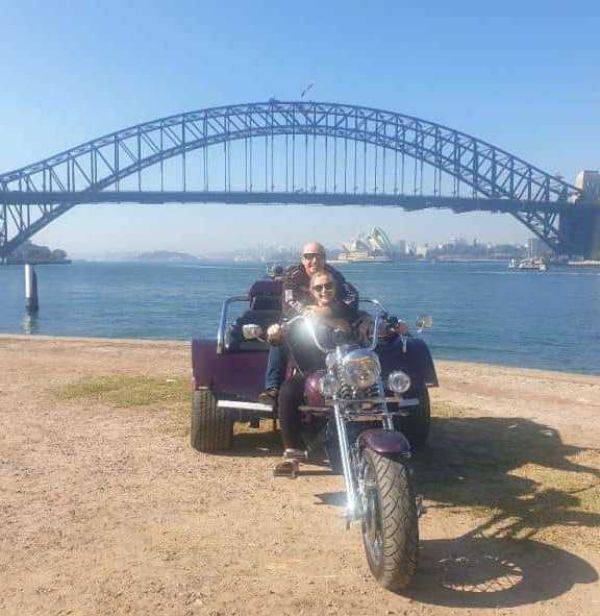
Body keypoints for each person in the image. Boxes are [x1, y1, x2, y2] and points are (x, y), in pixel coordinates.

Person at [259, 241, 358, 403]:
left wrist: (325, 312)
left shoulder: (334, 275)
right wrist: (306, 312)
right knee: (280, 334)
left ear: (325, 258)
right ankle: (272, 388)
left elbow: (351, 297)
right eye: (308, 257)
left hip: (329, 319)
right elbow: (289, 302)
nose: (314, 261)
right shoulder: (294, 275)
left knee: (353, 332)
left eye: (318, 256)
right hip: (299, 320)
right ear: (303, 259)